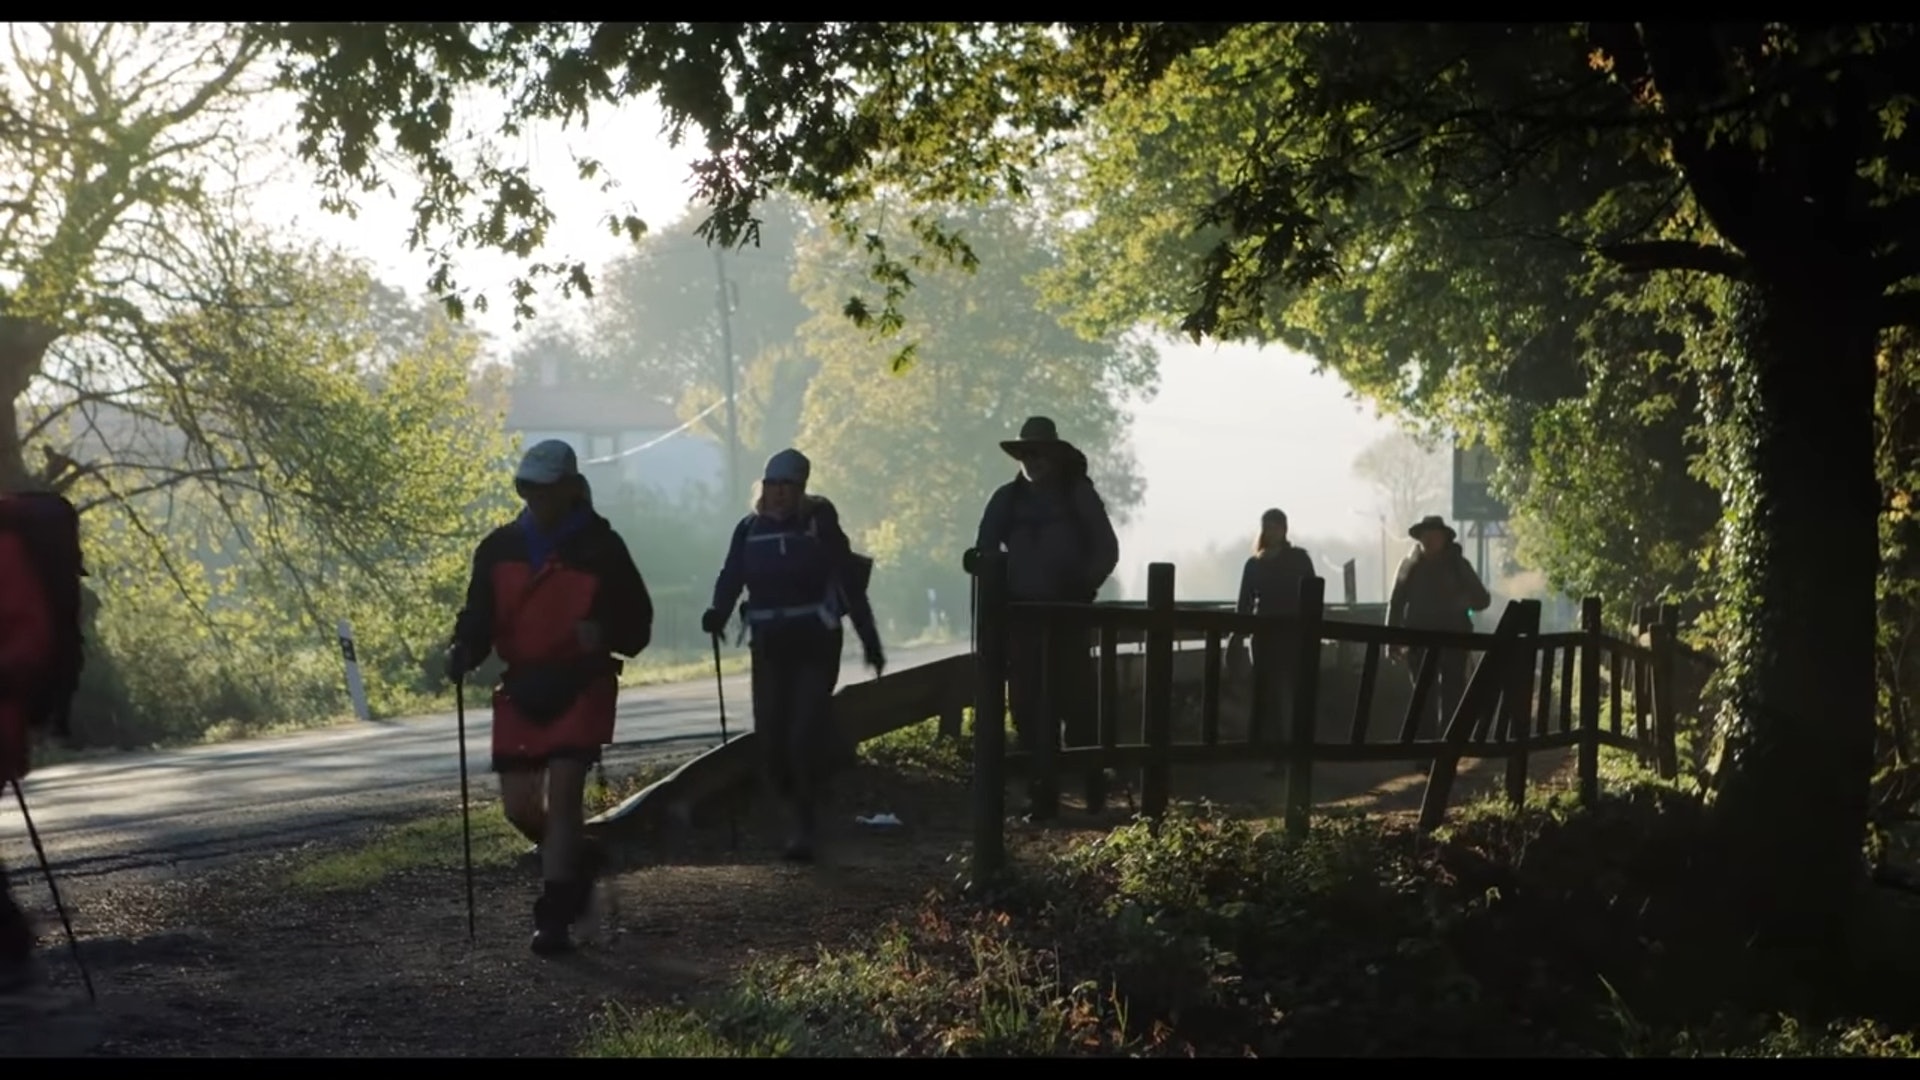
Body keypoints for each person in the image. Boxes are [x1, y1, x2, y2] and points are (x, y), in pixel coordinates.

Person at [445, 439, 654, 956]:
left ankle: (553, 917)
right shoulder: (498, 548)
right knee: (519, 809)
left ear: (568, 488)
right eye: (527, 488)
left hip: (584, 683)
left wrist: (604, 631)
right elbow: (479, 616)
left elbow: (638, 625)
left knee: (563, 799)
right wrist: (464, 649)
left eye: (544, 487)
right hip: (522, 686)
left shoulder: (604, 548)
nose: (535, 497)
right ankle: (578, 861)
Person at [702, 448, 884, 863]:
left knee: (801, 733)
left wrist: (869, 639)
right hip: (769, 645)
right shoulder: (748, 529)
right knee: (771, 737)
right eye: (772, 484)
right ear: (762, 487)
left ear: (802, 489)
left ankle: (803, 827)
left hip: (816, 642)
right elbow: (731, 576)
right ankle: (793, 810)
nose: (779, 493)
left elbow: (850, 585)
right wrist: (717, 611)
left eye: (788, 485)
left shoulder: (820, 525)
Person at [963, 416, 1120, 816]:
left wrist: (1083, 588)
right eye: (1026, 453)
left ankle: (1092, 788)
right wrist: (981, 565)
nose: (1032, 460)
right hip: (1022, 620)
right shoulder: (1006, 499)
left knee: (1077, 704)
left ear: (1054, 455)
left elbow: (1106, 548)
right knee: (1028, 707)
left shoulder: (1077, 494)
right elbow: (985, 548)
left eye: (1039, 452)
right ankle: (1043, 793)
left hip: (1068, 617)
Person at [1387, 515, 1492, 739]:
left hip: (1454, 638)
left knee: (1452, 693)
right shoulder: (1409, 566)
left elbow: (1482, 599)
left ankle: (1449, 747)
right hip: (1418, 640)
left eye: (1435, 536)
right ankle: (1425, 749)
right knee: (1422, 696)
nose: (1431, 540)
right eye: (1427, 536)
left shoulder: (1459, 566)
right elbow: (1396, 602)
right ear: (1420, 538)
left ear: (1445, 539)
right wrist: (1392, 639)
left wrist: (1461, 601)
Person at [1232, 508, 1319, 744]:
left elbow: (1311, 597)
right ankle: (1274, 748)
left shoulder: (1299, 559)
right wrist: (1237, 635)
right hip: (1264, 636)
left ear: (1284, 529)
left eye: (1275, 526)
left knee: (1286, 691)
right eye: (1268, 527)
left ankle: (1288, 747)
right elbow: (1245, 603)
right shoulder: (1254, 564)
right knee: (1268, 691)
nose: (1271, 531)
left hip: (1292, 633)